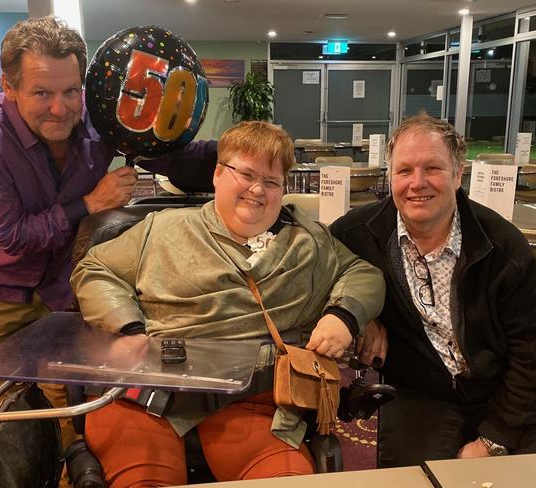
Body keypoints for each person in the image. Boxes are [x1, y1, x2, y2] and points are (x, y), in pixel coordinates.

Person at [71, 121, 385, 486]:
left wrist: (343, 316)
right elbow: (95, 269)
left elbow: (363, 274)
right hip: (148, 396)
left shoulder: (309, 244)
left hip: (254, 406)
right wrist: (128, 328)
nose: (257, 190)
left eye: (271, 182)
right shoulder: (160, 231)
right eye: (246, 174)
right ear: (218, 174)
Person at [0, 15, 215, 448]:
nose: (61, 108)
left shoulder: (98, 114)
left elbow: (171, 158)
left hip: (62, 284)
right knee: (18, 416)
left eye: (71, 91)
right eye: (42, 92)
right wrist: (90, 204)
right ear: (8, 85)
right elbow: (12, 236)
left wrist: (239, 156)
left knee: (71, 404)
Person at [330, 113, 536, 467]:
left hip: (504, 389)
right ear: (390, 176)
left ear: (458, 174)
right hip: (422, 392)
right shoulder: (357, 234)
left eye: (433, 169)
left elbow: (530, 354)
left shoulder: (504, 249)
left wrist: (493, 440)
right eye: (404, 170)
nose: (417, 183)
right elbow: (311, 271)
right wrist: (361, 316)